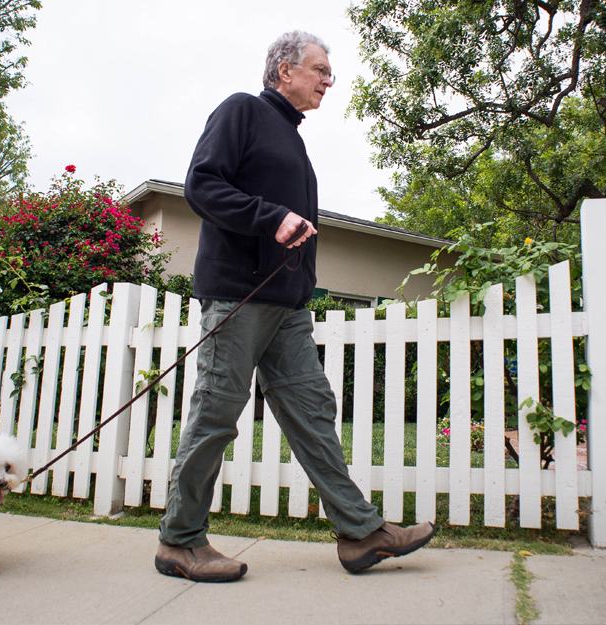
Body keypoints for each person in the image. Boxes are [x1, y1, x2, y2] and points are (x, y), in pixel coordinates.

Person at [155, 31, 435, 583]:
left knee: (313, 415)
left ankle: (359, 533)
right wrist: (270, 216)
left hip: (288, 306)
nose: (328, 81)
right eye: (320, 69)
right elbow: (201, 186)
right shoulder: (242, 112)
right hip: (240, 295)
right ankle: (179, 541)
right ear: (284, 70)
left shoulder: (292, 138)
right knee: (216, 415)